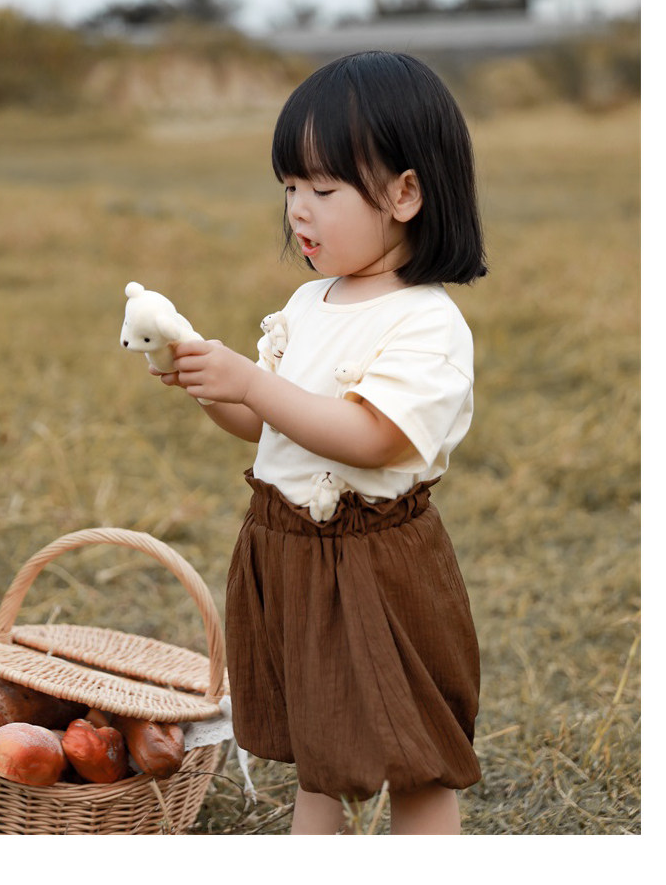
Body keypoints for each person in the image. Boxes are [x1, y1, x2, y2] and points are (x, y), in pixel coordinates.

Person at [154, 50, 487, 835]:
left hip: (377, 565)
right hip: (289, 554)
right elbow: (266, 423)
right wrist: (213, 386)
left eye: (324, 190)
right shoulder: (309, 303)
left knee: (418, 756)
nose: (299, 212)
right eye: (289, 188)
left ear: (405, 193)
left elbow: (372, 438)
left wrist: (252, 383)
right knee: (319, 747)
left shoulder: (424, 321)